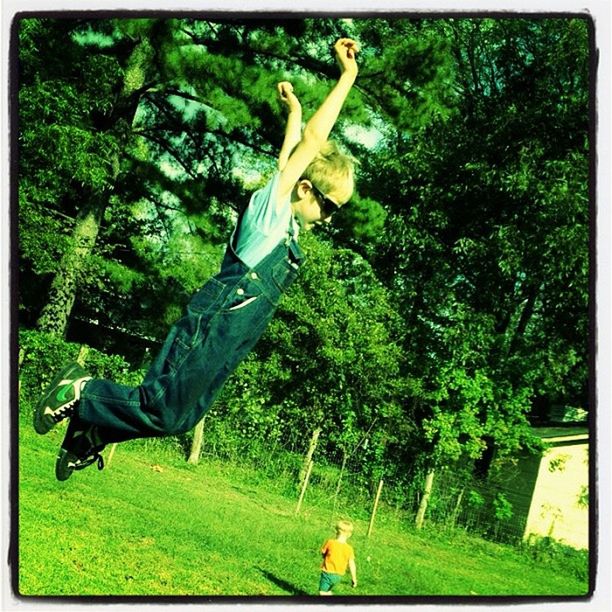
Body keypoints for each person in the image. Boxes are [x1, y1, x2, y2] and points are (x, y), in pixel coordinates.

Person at [34, 38, 360, 481]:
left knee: (181, 417)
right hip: (216, 320)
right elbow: (309, 147)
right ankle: (82, 389)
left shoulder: (285, 227)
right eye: (332, 206)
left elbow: (292, 153)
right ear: (305, 189)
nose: (330, 218)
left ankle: (90, 428)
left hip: (232, 336)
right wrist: (347, 78)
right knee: (161, 405)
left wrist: (295, 115)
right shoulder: (270, 212)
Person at [319, 520, 358, 595]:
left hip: (327, 573)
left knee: (322, 592)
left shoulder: (330, 542)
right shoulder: (349, 549)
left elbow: (323, 553)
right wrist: (354, 578)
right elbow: (352, 564)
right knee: (328, 591)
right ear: (349, 535)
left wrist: (325, 557)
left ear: (336, 531)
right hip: (338, 576)